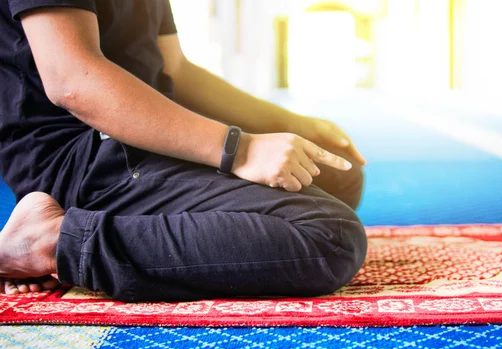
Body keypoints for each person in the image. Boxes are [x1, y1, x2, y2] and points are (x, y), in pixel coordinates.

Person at [0, 0, 368, 302]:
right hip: (82, 157)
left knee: (337, 171)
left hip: (141, 133)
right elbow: (71, 81)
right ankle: (48, 241)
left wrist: (294, 124)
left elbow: (176, 68)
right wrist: (241, 150)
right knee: (330, 237)